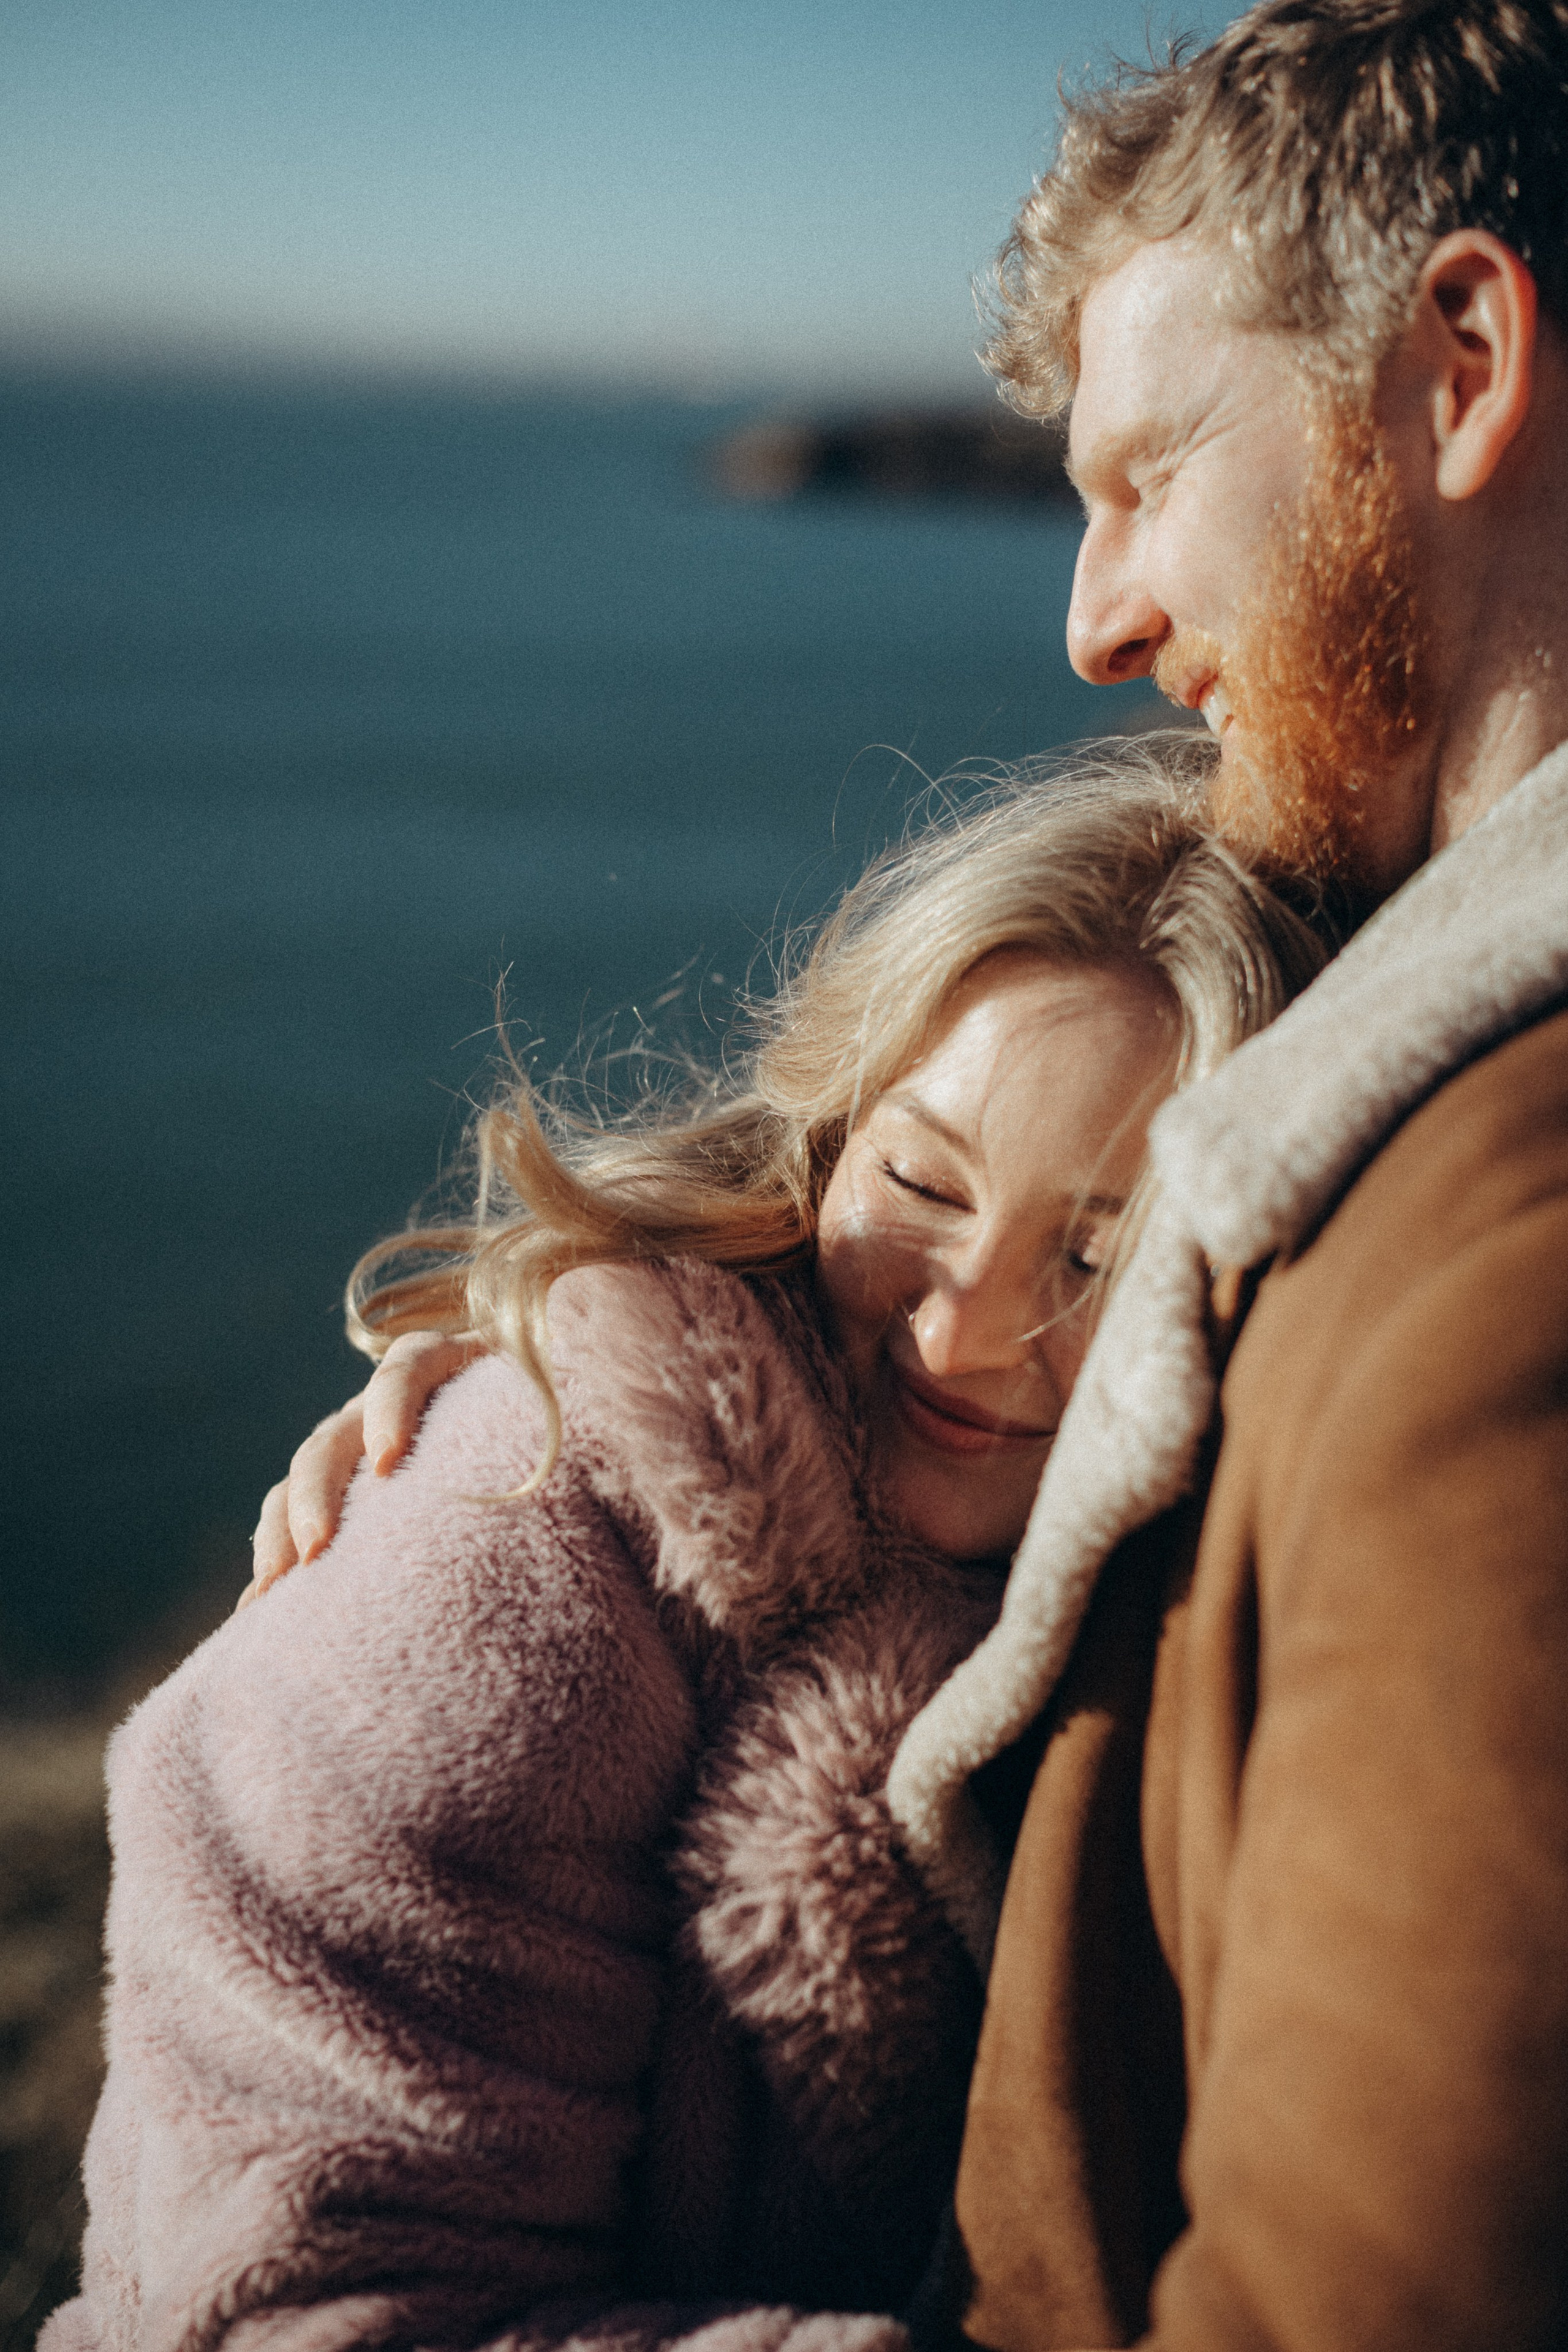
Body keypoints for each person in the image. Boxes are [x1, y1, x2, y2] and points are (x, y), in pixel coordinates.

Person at [255, 4, 1568, 2344]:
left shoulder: (1498, 1214)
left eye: (1148, 470)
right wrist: (569, 1357)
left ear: (1461, 360)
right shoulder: (1379, 1088)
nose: (1092, 618)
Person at [43, 750, 1329, 2352]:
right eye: (922, 1180)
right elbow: (301, 2316)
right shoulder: (526, 1518)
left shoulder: (1219, 1561)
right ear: (828, 1136)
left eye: (1097, 1250)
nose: (967, 1326)